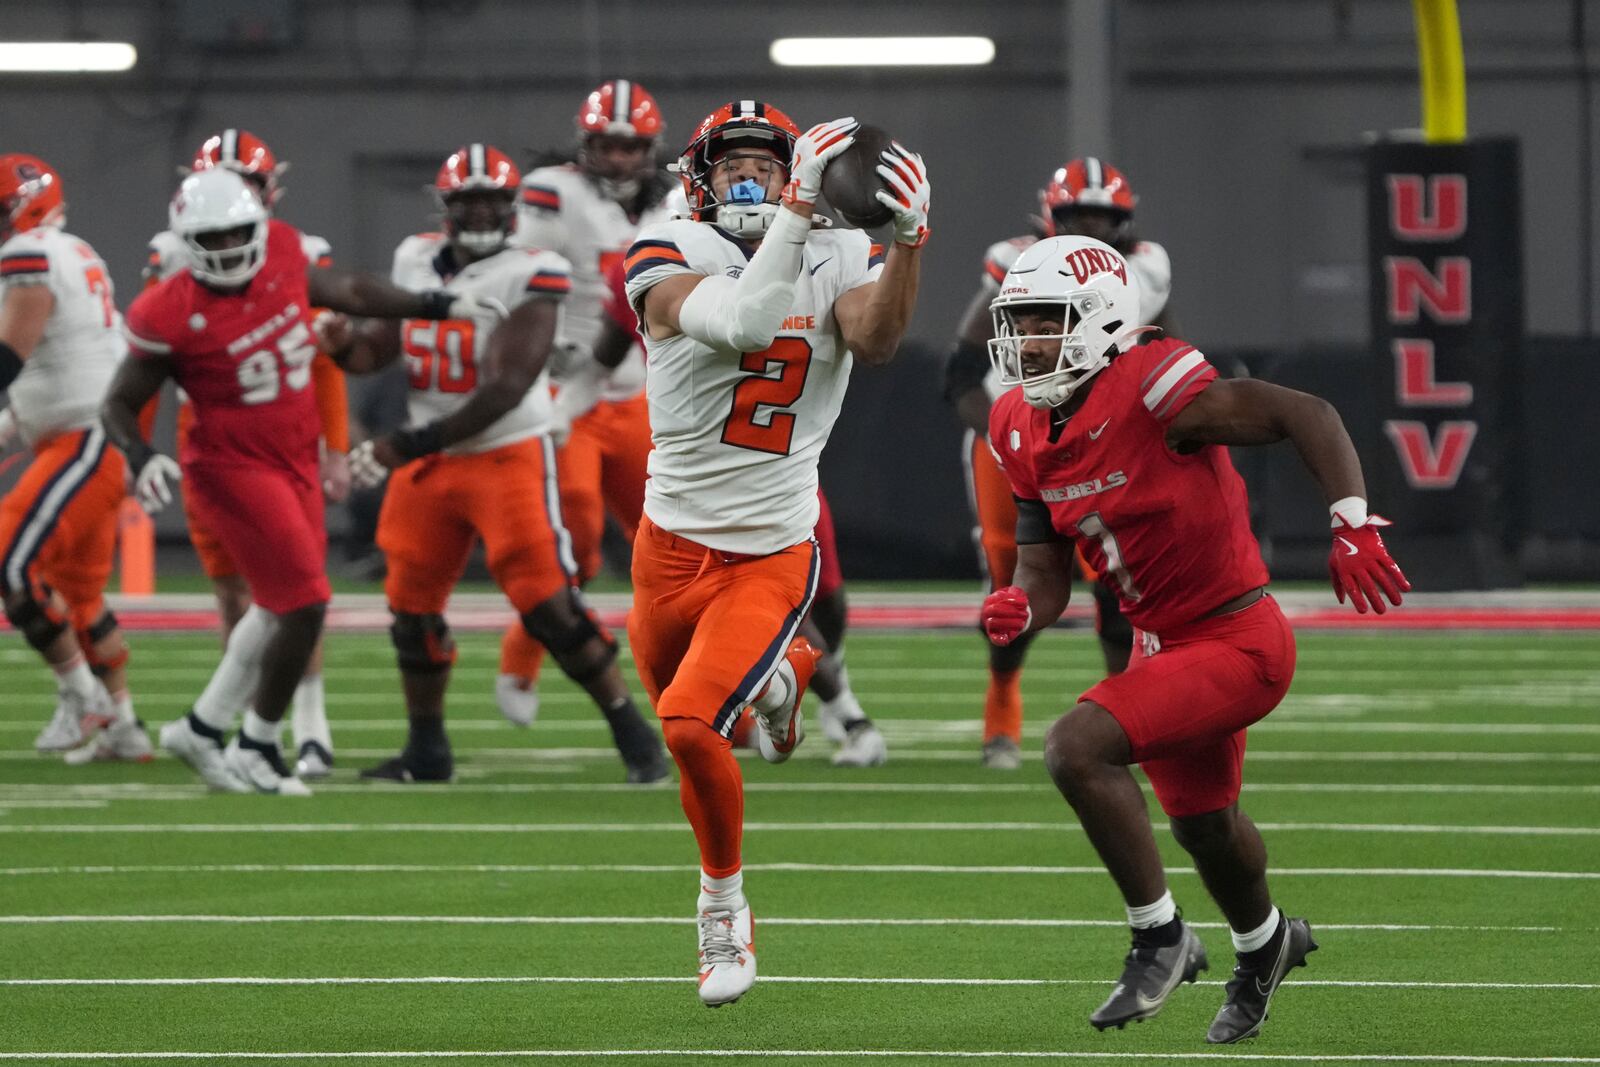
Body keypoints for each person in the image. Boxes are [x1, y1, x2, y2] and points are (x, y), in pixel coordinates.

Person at [979, 234, 1409, 1043]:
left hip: (1239, 636)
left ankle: (1161, 935)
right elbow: (1044, 573)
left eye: (1046, 321)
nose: (1027, 341)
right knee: (1205, 825)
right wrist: (1021, 607)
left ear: (1102, 320)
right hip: (1159, 640)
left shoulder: (1153, 383)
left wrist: (1353, 521)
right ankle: (1267, 941)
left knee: (1076, 746)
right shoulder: (1017, 425)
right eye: (1020, 322)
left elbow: (1303, 412)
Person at [624, 101, 929, 1005]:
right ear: (699, 177)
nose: (749, 178)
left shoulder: (837, 247)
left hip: (769, 547)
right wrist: (797, 213)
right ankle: (788, 671)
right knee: (693, 744)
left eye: (769, 162)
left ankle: (724, 908)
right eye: (733, 165)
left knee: (686, 724)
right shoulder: (664, 245)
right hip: (667, 547)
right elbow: (747, 324)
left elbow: (874, 339)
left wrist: (911, 239)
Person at [103, 167, 499, 794]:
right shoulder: (168, 308)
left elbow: (352, 291)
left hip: (293, 454)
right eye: (215, 237)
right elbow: (119, 402)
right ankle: (258, 743)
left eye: (240, 232)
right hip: (232, 466)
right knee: (306, 601)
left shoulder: (284, 252)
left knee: (276, 601)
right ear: (187, 241)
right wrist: (138, 453)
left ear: (259, 227)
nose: (231, 248)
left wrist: (437, 303)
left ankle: (203, 729)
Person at [321, 144, 668, 786]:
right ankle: (427, 750)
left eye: (491, 201)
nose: (480, 211)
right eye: (467, 201)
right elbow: (380, 352)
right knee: (411, 608)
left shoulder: (536, 270)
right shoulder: (415, 258)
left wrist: (408, 444)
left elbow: (508, 386)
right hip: (434, 458)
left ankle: (633, 734)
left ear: (512, 208)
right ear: (445, 208)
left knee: (548, 604)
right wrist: (345, 348)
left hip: (507, 453)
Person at [945, 158, 1170, 770]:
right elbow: (962, 372)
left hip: (1101, 440)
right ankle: (1002, 706)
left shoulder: (1144, 269)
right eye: (1080, 219)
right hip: (1019, 436)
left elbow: (1165, 353)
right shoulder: (1018, 262)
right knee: (1014, 587)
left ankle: (1129, 715)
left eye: (1105, 220)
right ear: (1052, 217)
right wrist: (1001, 441)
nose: (1093, 232)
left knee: (1118, 585)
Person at [143, 129, 350, 779]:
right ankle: (230, 730)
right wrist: (137, 452)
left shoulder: (293, 252)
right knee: (251, 592)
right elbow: (147, 367)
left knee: (295, 589)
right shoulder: (173, 259)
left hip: (285, 439)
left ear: (269, 192)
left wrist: (335, 444)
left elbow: (324, 360)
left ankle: (303, 726)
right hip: (218, 445)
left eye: (248, 184)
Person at [492, 80, 676, 728]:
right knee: (572, 539)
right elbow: (520, 275)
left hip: (641, 391)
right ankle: (521, 656)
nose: (621, 159)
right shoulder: (553, 192)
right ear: (586, 144)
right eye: (608, 145)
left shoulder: (679, 199)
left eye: (631, 147)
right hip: (566, 387)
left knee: (668, 539)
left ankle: (695, 686)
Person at [0, 153, 148, 763]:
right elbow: (60, 367)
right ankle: (125, 727)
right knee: (79, 594)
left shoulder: (27, 253)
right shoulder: (73, 249)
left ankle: (83, 696)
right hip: (89, 430)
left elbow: (12, 354)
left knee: (10, 562)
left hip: (86, 437)